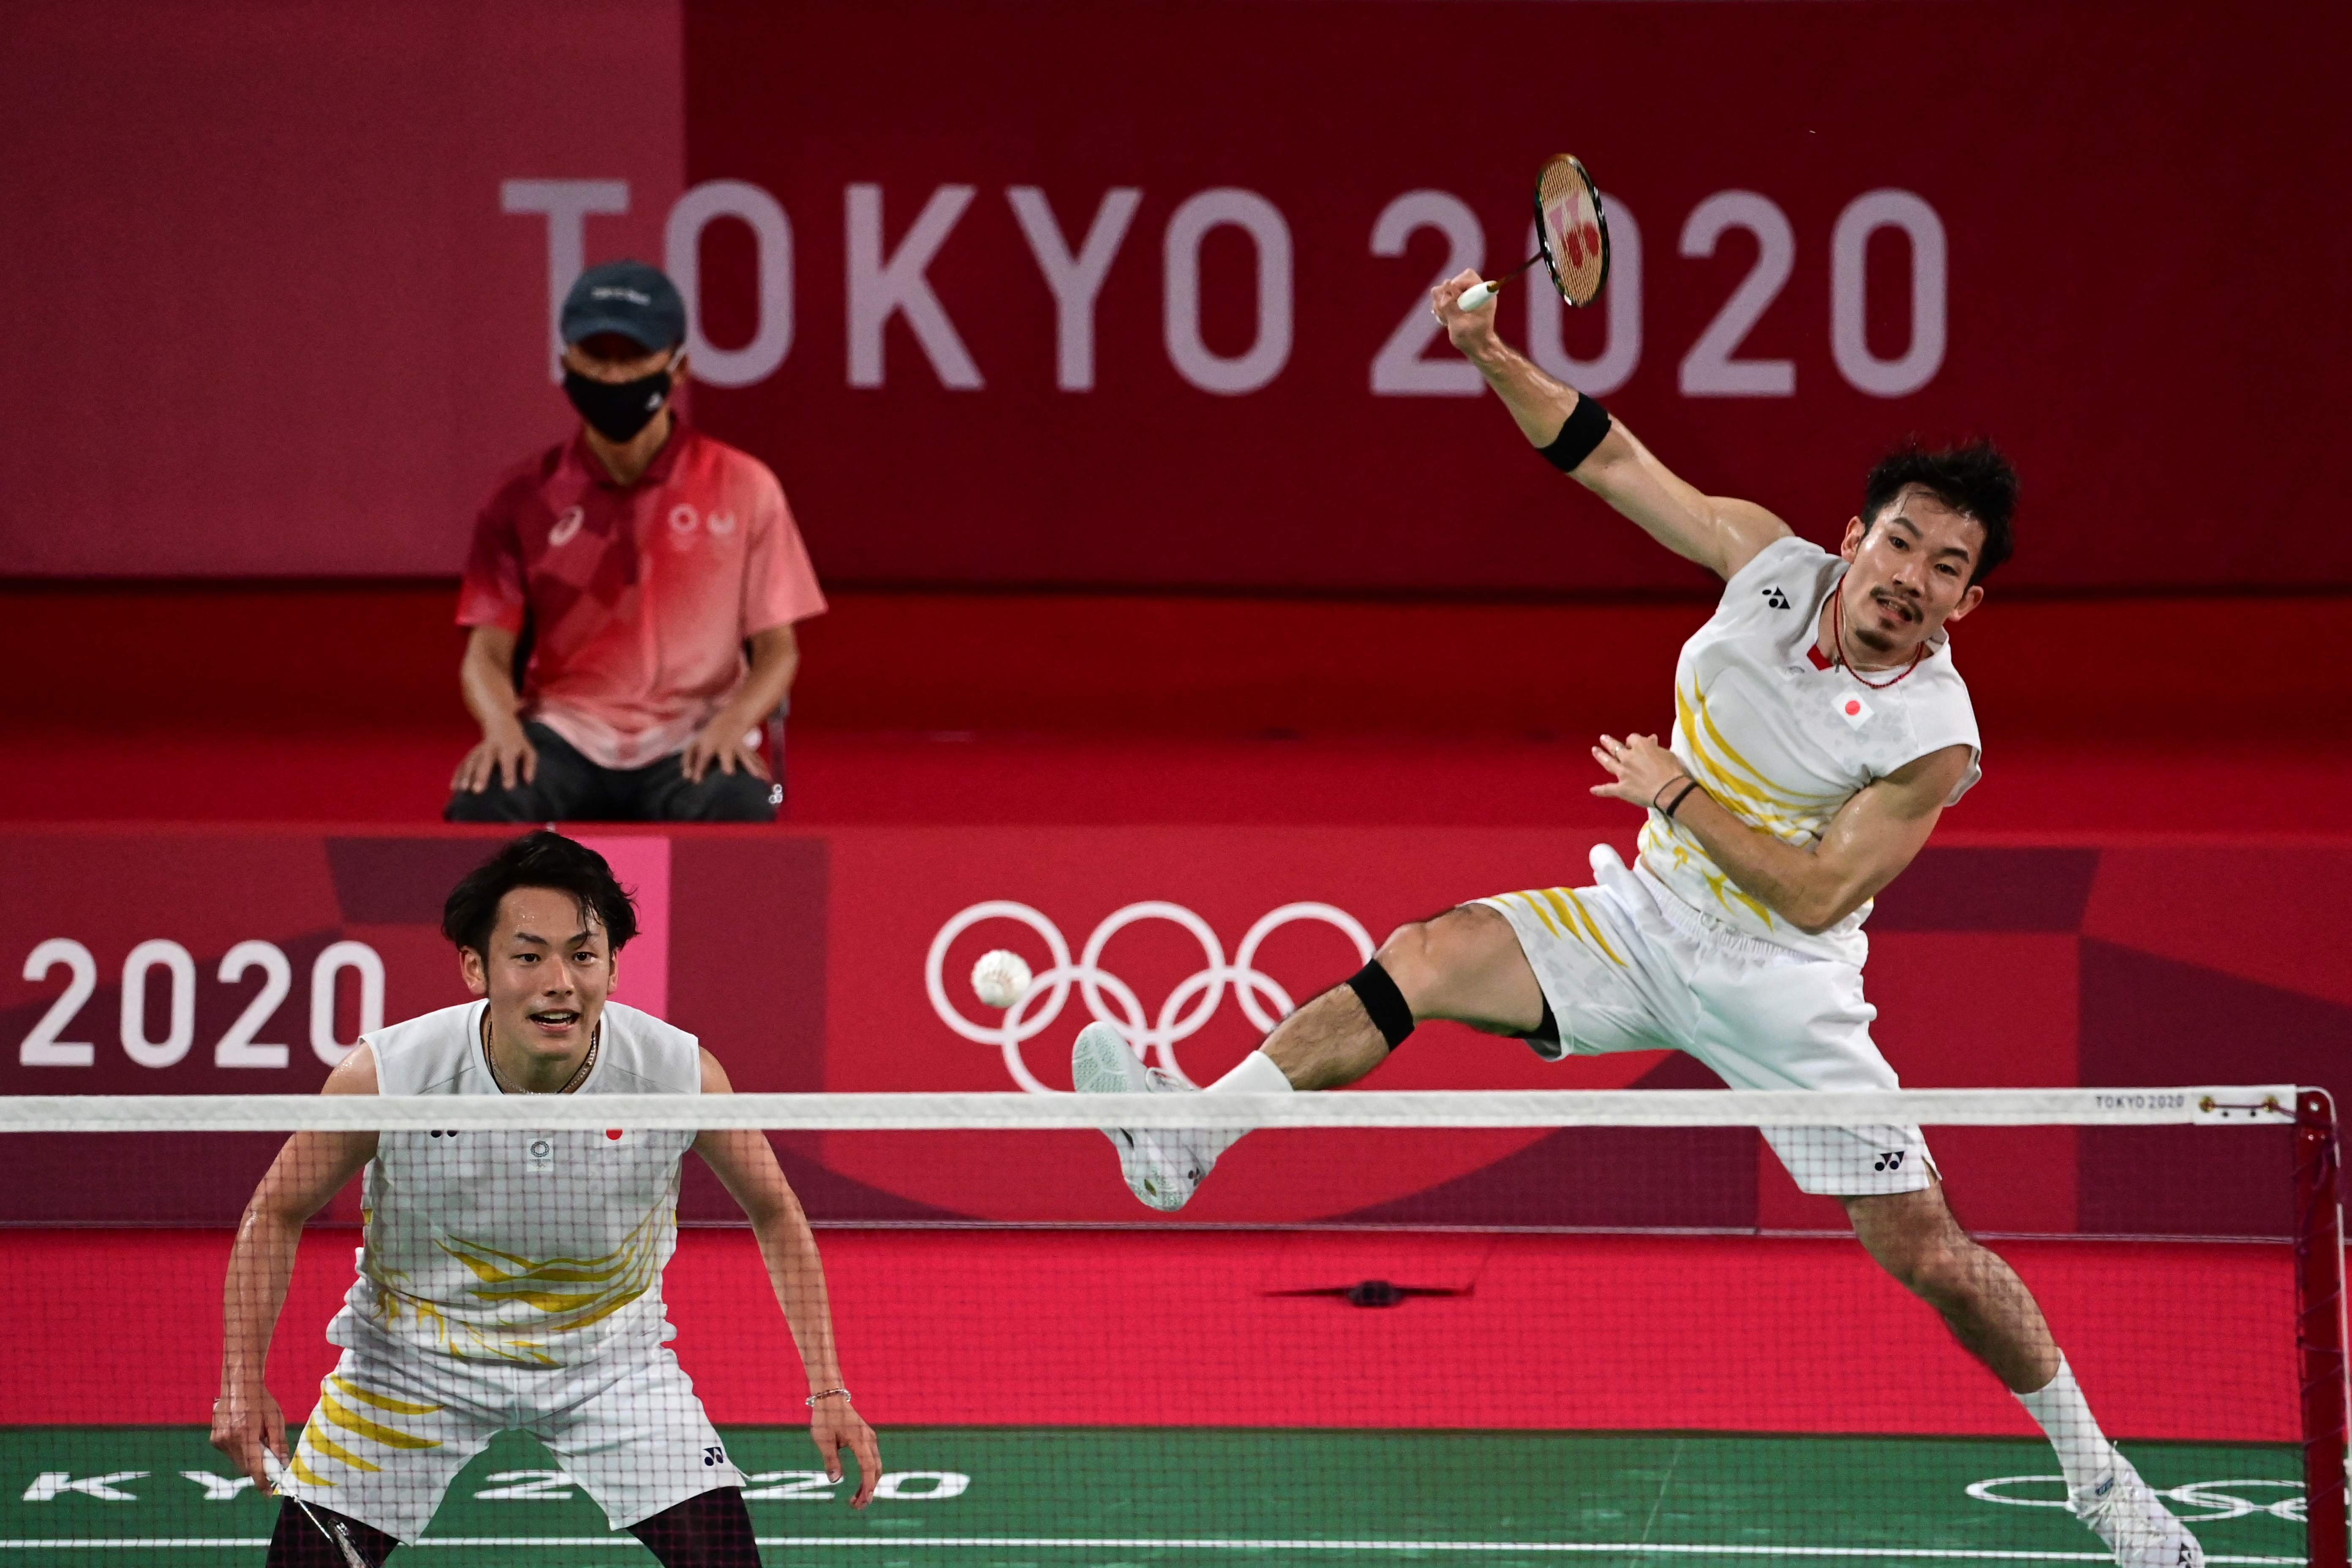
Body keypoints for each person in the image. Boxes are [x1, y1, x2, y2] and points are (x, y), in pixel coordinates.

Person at [1069, 268, 2201, 1568]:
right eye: (1901, 544)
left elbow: (1826, 888)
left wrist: (1679, 794)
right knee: (1424, 958)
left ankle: (2100, 1480)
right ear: (1855, 535)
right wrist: (1493, 352)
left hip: (1788, 987)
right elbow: (1609, 460)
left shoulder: (1936, 738)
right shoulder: (1768, 568)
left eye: (1947, 570)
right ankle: (1185, 1138)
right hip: (1644, 922)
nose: (1910, 579)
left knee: (1935, 1256)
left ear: (1968, 604)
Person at [211, 830, 878, 1566]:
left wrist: (829, 1390)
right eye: (529, 957)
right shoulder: (392, 1077)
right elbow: (276, 1211)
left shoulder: (676, 1074)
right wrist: (242, 1382)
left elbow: (776, 1209)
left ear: (614, 968)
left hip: (610, 1364)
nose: (560, 980)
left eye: (583, 955)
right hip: (410, 1364)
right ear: (476, 968)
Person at [446, 260, 826, 824]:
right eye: (597, 356)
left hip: (692, 738)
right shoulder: (521, 496)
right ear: (565, 363)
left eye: (633, 357)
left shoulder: (745, 485)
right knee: (484, 804)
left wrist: (731, 724)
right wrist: (501, 728)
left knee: (741, 808)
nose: (616, 377)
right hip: (566, 736)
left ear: (679, 367)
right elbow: (486, 654)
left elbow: (778, 652)